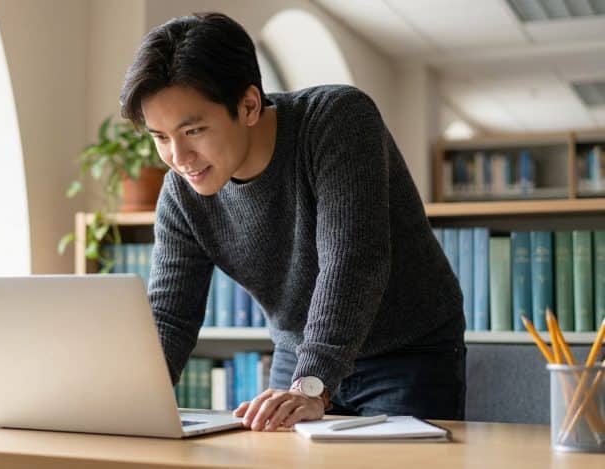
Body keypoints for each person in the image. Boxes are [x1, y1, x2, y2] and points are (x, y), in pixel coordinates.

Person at [119, 12, 465, 432]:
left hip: (404, 351)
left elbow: (351, 261)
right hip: (300, 354)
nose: (179, 157)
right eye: (159, 137)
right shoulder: (181, 193)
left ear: (248, 105)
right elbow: (170, 318)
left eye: (193, 130)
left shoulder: (337, 120)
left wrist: (311, 385)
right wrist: (125, 403)